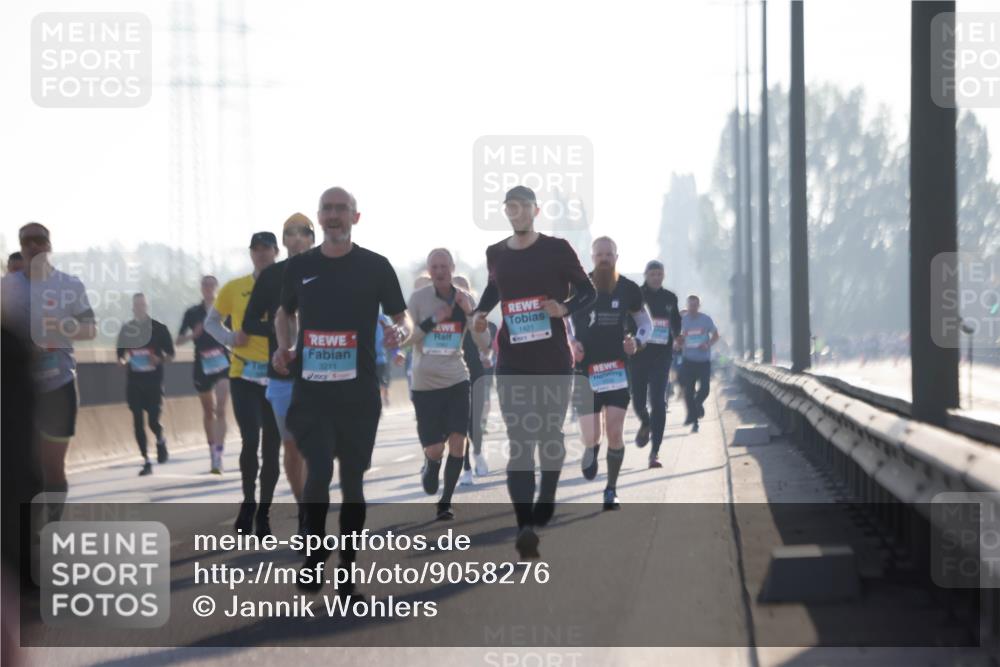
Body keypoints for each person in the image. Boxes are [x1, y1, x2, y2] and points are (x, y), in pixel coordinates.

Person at [272, 186, 410, 596]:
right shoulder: (300, 268)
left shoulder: (376, 267)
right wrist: (285, 346)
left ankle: (347, 568)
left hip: (359, 393)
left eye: (341, 209)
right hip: (312, 391)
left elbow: (402, 317)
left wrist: (402, 331)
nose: (334, 215)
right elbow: (285, 313)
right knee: (318, 472)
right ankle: (316, 555)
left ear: (355, 217)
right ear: (320, 217)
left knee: (352, 482)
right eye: (327, 209)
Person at [470, 185, 596, 558]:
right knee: (521, 441)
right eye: (511, 206)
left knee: (549, 436)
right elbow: (495, 288)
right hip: (512, 361)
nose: (517, 212)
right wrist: (480, 311)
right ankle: (525, 526)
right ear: (505, 211)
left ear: (535, 211)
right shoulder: (495, 252)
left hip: (554, 361)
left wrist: (564, 308)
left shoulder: (557, 249)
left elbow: (588, 293)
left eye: (523, 206)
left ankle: (549, 495)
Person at [1, 223, 96, 521]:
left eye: (39, 240)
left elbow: (90, 329)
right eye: (26, 241)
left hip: (59, 383)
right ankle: (28, 523)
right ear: (21, 245)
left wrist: (63, 327)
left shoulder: (70, 285)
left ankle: (52, 522)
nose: (33, 246)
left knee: (53, 465)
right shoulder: (6, 287)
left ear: (49, 245)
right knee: (24, 462)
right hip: (17, 388)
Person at [242, 214, 315, 536]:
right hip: (283, 373)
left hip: (321, 374)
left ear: (312, 238)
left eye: (303, 233)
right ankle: (304, 513)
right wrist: (275, 327)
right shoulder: (272, 276)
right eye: (290, 234)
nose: (297, 238)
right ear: (283, 241)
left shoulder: (327, 270)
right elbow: (247, 323)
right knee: (292, 449)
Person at [205, 232, 280, 536]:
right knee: (250, 440)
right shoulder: (235, 288)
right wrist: (230, 337)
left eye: (267, 249)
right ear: (251, 254)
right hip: (243, 374)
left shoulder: (287, 287)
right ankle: (248, 503)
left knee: (272, 449)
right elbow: (212, 322)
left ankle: (264, 512)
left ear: (276, 252)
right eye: (256, 250)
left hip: (278, 376)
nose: (261, 254)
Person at [569, 237, 652, 510]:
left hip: (616, 370)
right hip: (585, 371)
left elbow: (645, 323)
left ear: (616, 256)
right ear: (591, 257)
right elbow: (562, 319)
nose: (604, 258)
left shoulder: (628, 289)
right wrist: (571, 343)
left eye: (608, 254)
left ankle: (611, 489)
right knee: (592, 434)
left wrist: (637, 342)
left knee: (615, 431)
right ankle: (591, 449)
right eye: (599, 254)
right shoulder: (578, 287)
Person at [407, 249, 491, 518]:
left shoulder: (465, 299)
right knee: (434, 448)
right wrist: (433, 321)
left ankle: (445, 501)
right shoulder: (418, 299)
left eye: (444, 266)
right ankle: (431, 466)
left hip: (457, 378)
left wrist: (469, 313)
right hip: (425, 383)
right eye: (435, 266)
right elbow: (406, 338)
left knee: (458, 440)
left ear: (452, 268)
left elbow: (484, 341)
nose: (440, 271)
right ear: (429, 270)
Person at [176, 275, 231, 473]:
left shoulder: (225, 310)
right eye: (204, 285)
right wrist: (193, 334)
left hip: (223, 362)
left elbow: (237, 334)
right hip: (202, 364)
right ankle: (211, 451)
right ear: (201, 288)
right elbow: (178, 340)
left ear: (216, 287)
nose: (207, 288)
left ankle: (219, 455)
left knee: (222, 408)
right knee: (209, 410)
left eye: (211, 284)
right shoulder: (192, 312)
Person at [630, 260, 682, 468]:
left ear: (663, 276)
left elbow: (676, 322)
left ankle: (655, 453)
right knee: (638, 400)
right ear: (646, 275)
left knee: (659, 402)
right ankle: (645, 421)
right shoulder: (636, 296)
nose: (656, 277)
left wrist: (678, 336)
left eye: (660, 274)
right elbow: (627, 321)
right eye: (653, 274)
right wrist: (630, 338)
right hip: (639, 355)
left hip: (662, 355)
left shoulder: (670, 298)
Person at [116, 293, 175, 475]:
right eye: (137, 305)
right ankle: (146, 460)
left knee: (153, 421)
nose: (140, 308)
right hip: (134, 382)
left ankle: (160, 439)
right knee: (137, 422)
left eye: (143, 305)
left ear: (147, 307)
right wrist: (123, 362)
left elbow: (171, 355)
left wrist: (159, 358)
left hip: (154, 383)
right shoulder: (126, 330)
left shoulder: (159, 329)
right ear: (133, 308)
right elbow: (120, 355)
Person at [454, 275, 493, 484]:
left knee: (473, 422)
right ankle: (466, 468)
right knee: (459, 424)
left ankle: (477, 453)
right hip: (453, 374)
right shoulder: (446, 317)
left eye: (463, 292)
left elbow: (487, 342)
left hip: (475, 373)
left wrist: (486, 355)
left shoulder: (476, 317)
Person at [677, 295, 720, 433]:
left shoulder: (705, 319)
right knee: (688, 392)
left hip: (703, 361)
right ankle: (695, 422)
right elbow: (677, 337)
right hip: (688, 360)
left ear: (699, 306)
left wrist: (707, 344)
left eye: (695, 305)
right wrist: (680, 341)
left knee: (705, 389)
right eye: (690, 305)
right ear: (687, 306)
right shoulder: (683, 321)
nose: (693, 308)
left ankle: (698, 403)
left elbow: (716, 335)